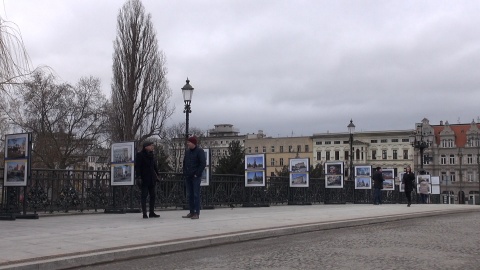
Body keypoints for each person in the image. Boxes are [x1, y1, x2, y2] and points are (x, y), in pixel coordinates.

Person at [182, 136, 206, 220]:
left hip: (195, 176)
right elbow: (184, 162)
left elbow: (202, 163)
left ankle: (196, 212)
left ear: (193, 143)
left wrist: (197, 173)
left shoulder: (199, 151)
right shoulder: (187, 152)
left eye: (189, 142)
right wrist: (185, 172)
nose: (187, 144)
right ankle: (191, 211)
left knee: (196, 194)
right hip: (188, 176)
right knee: (190, 195)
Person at [135, 141, 160, 219]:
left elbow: (154, 166)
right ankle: (144, 213)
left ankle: (151, 212)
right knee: (144, 196)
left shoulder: (152, 155)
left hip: (152, 178)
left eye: (152, 146)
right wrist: (138, 177)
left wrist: (158, 175)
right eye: (151, 146)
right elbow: (138, 167)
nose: (152, 147)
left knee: (153, 195)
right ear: (146, 147)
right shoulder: (140, 155)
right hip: (144, 178)